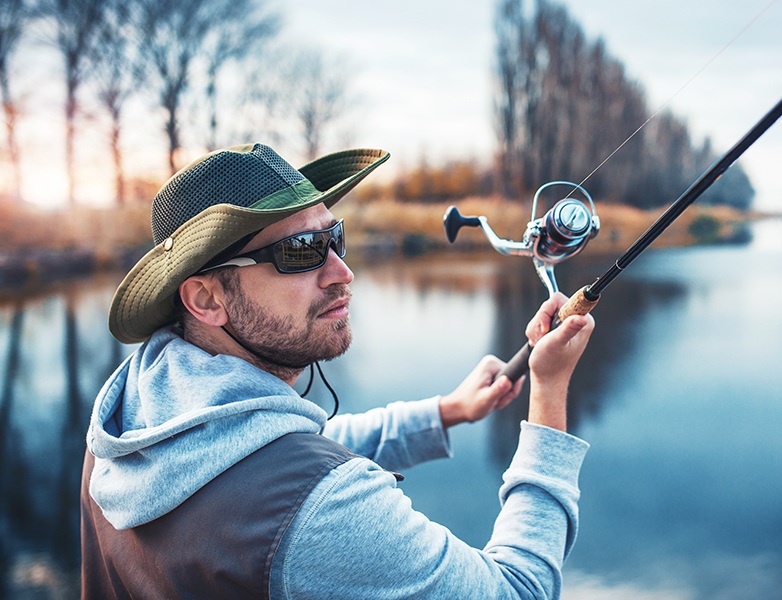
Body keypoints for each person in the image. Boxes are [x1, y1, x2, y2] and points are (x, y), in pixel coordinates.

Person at [80, 143, 595, 599]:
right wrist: (548, 393)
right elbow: (520, 590)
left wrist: (445, 413)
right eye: (300, 251)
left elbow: (270, 454)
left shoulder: (130, 419)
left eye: (334, 238)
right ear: (206, 298)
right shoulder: (316, 510)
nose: (342, 272)